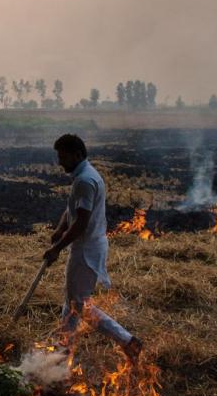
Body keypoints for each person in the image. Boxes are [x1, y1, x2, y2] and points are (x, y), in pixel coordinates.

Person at [42, 134, 142, 363]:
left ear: (77, 154)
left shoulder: (85, 181)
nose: (59, 162)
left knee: (79, 305)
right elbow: (72, 211)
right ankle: (62, 351)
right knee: (72, 302)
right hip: (86, 246)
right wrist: (59, 229)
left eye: (63, 156)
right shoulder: (83, 177)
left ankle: (127, 340)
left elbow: (81, 222)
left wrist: (57, 247)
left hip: (86, 249)